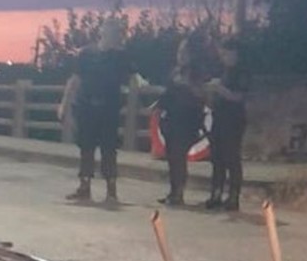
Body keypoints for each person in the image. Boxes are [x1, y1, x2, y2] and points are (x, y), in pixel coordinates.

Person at [59, 19, 137, 204]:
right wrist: (64, 103)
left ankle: (111, 190)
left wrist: (140, 95)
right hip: (86, 106)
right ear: (102, 33)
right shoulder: (86, 54)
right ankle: (84, 186)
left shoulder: (121, 56)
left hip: (109, 108)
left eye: (116, 34)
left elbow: (133, 78)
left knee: (109, 148)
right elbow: (75, 79)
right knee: (86, 147)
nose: (113, 37)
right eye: (111, 33)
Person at [151, 37, 208, 207]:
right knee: (171, 157)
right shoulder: (174, 71)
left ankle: (179, 192)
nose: (181, 55)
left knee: (179, 156)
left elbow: (200, 95)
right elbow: (167, 94)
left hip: (187, 120)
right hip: (172, 119)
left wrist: (188, 84)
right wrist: (158, 108)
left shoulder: (197, 72)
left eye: (184, 52)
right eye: (179, 52)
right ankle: (173, 190)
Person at [206, 37, 247, 211]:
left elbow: (239, 96)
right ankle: (216, 194)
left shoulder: (241, 72)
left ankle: (233, 196)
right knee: (217, 158)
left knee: (232, 158)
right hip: (219, 118)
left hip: (234, 119)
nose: (223, 56)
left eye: (226, 53)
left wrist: (219, 89)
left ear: (235, 53)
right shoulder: (222, 71)